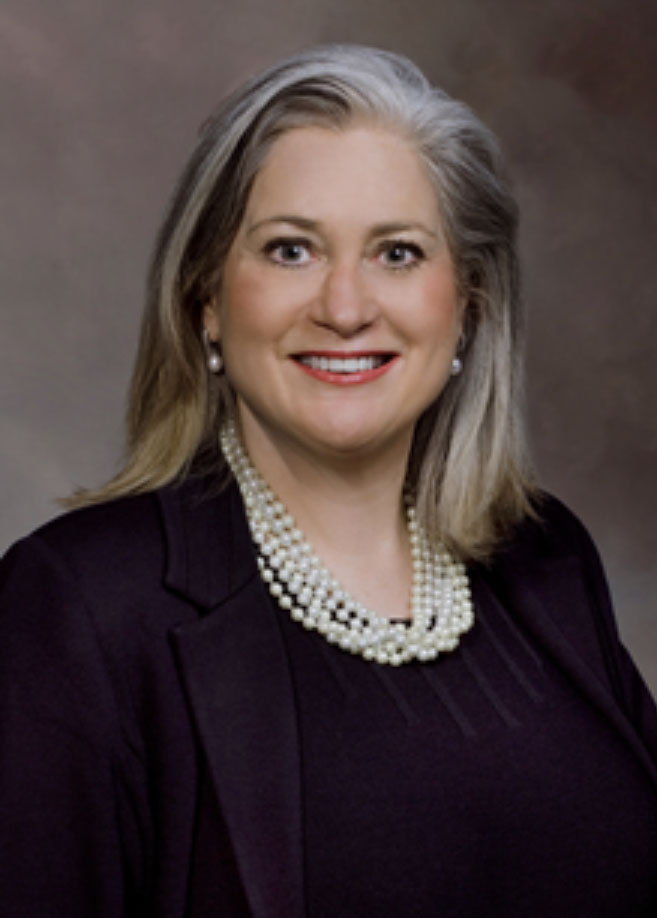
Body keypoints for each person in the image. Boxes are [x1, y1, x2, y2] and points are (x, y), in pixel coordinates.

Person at [1, 44, 656, 917]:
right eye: (289, 250)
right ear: (206, 301)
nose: (344, 308)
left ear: (466, 301)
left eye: (396, 253)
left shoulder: (546, 559)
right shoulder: (78, 608)